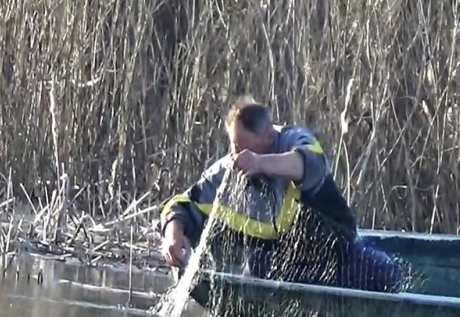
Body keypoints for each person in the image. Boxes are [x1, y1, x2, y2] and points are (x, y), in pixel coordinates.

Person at [159, 96, 402, 293]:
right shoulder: (230, 168)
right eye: (234, 148)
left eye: (245, 148)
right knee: (257, 265)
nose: (238, 157)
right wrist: (173, 235)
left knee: (387, 274)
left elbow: (311, 163)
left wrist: (261, 163)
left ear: (269, 137)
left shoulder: (292, 139)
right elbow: (181, 204)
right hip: (288, 270)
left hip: (338, 260)